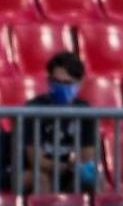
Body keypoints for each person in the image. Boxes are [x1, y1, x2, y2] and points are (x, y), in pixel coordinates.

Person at [20, 51, 99, 194]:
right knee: (41, 179)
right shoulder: (33, 108)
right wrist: (64, 166)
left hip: (70, 172)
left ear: (79, 83)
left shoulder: (85, 111)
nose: (61, 87)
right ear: (49, 81)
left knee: (95, 180)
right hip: (36, 171)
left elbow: (88, 157)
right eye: (57, 82)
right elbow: (36, 160)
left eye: (67, 83)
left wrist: (79, 167)